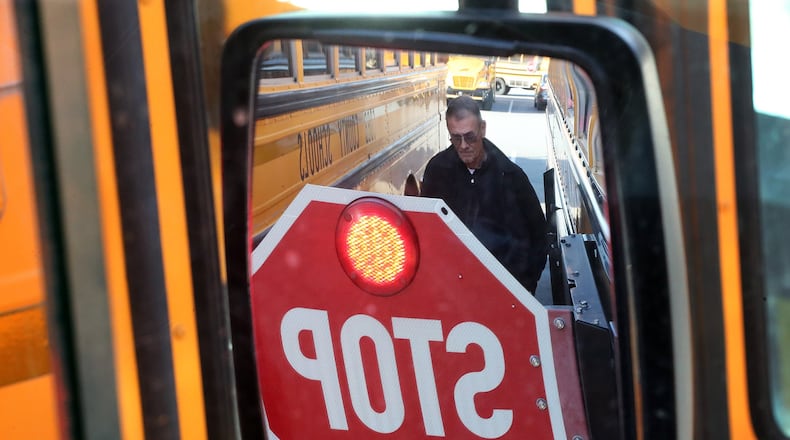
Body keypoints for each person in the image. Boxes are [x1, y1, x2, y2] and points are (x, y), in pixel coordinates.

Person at [420, 96, 548, 293]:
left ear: (482, 129)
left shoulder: (511, 176)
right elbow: (426, 231)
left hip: (504, 291)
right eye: (455, 137)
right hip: (451, 290)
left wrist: (526, 285)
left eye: (469, 137)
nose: (463, 145)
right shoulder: (438, 171)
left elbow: (538, 234)